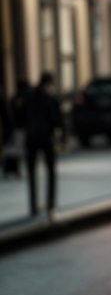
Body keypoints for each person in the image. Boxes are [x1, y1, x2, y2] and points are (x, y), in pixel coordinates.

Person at [24, 71, 65, 218]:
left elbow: (20, 115)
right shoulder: (50, 97)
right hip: (46, 138)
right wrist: (61, 137)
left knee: (31, 173)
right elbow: (57, 119)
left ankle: (33, 205)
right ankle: (50, 204)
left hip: (30, 138)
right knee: (51, 171)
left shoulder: (29, 96)